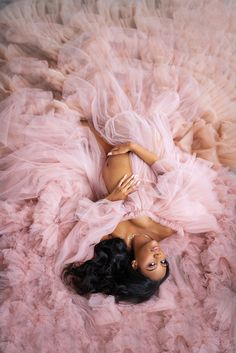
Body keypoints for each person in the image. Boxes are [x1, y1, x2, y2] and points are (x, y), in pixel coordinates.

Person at [61, 122, 176, 304]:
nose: (159, 256)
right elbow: (173, 177)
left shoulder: (116, 241)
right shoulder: (166, 229)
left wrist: (113, 198)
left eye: (151, 264)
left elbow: (85, 224)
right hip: (136, 145)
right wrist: (134, 147)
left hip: (102, 153)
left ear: (135, 265)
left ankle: (86, 126)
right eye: (163, 262)